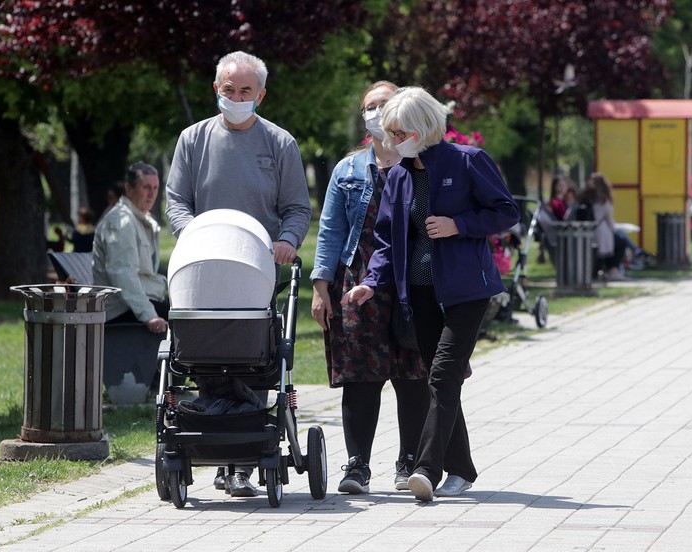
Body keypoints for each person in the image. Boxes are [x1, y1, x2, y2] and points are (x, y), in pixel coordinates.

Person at [342, 87, 520, 502]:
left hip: (466, 291)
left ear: (422, 128)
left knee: (441, 375)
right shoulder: (398, 176)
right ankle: (462, 470)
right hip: (418, 294)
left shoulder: (468, 161)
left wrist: (459, 225)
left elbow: (506, 212)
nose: (392, 140)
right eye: (391, 132)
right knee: (442, 379)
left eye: (399, 132)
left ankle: (425, 469)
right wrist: (371, 282)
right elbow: (387, 241)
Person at [165, 50, 311, 497]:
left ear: (261, 95)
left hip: (256, 268)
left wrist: (287, 240)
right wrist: (195, 236)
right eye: (229, 89)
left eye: (246, 90)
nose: (236, 97)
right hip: (203, 266)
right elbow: (176, 201)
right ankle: (210, 434)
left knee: (253, 352)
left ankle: (243, 459)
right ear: (216, 89)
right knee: (205, 351)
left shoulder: (280, 143)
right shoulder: (193, 139)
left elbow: (296, 208)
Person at [311, 81, 429, 494]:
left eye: (385, 104)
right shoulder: (347, 171)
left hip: (412, 280)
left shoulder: (421, 164)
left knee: (413, 374)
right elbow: (330, 231)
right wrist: (320, 286)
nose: (377, 112)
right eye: (370, 106)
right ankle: (357, 465)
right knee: (359, 375)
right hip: (357, 281)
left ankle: (409, 461)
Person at [92, 162, 168, 334]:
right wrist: (148, 315)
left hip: (137, 303)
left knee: (189, 314)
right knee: (188, 323)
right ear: (129, 188)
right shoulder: (121, 222)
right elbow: (123, 274)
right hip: (120, 310)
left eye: (155, 188)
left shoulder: (140, 220)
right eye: (146, 187)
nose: (152, 194)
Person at [578, 173, 627, 280]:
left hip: (586, 231)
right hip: (601, 231)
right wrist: (616, 231)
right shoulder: (604, 201)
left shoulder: (585, 197)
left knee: (607, 248)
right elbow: (610, 222)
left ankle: (608, 271)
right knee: (621, 243)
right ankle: (613, 270)